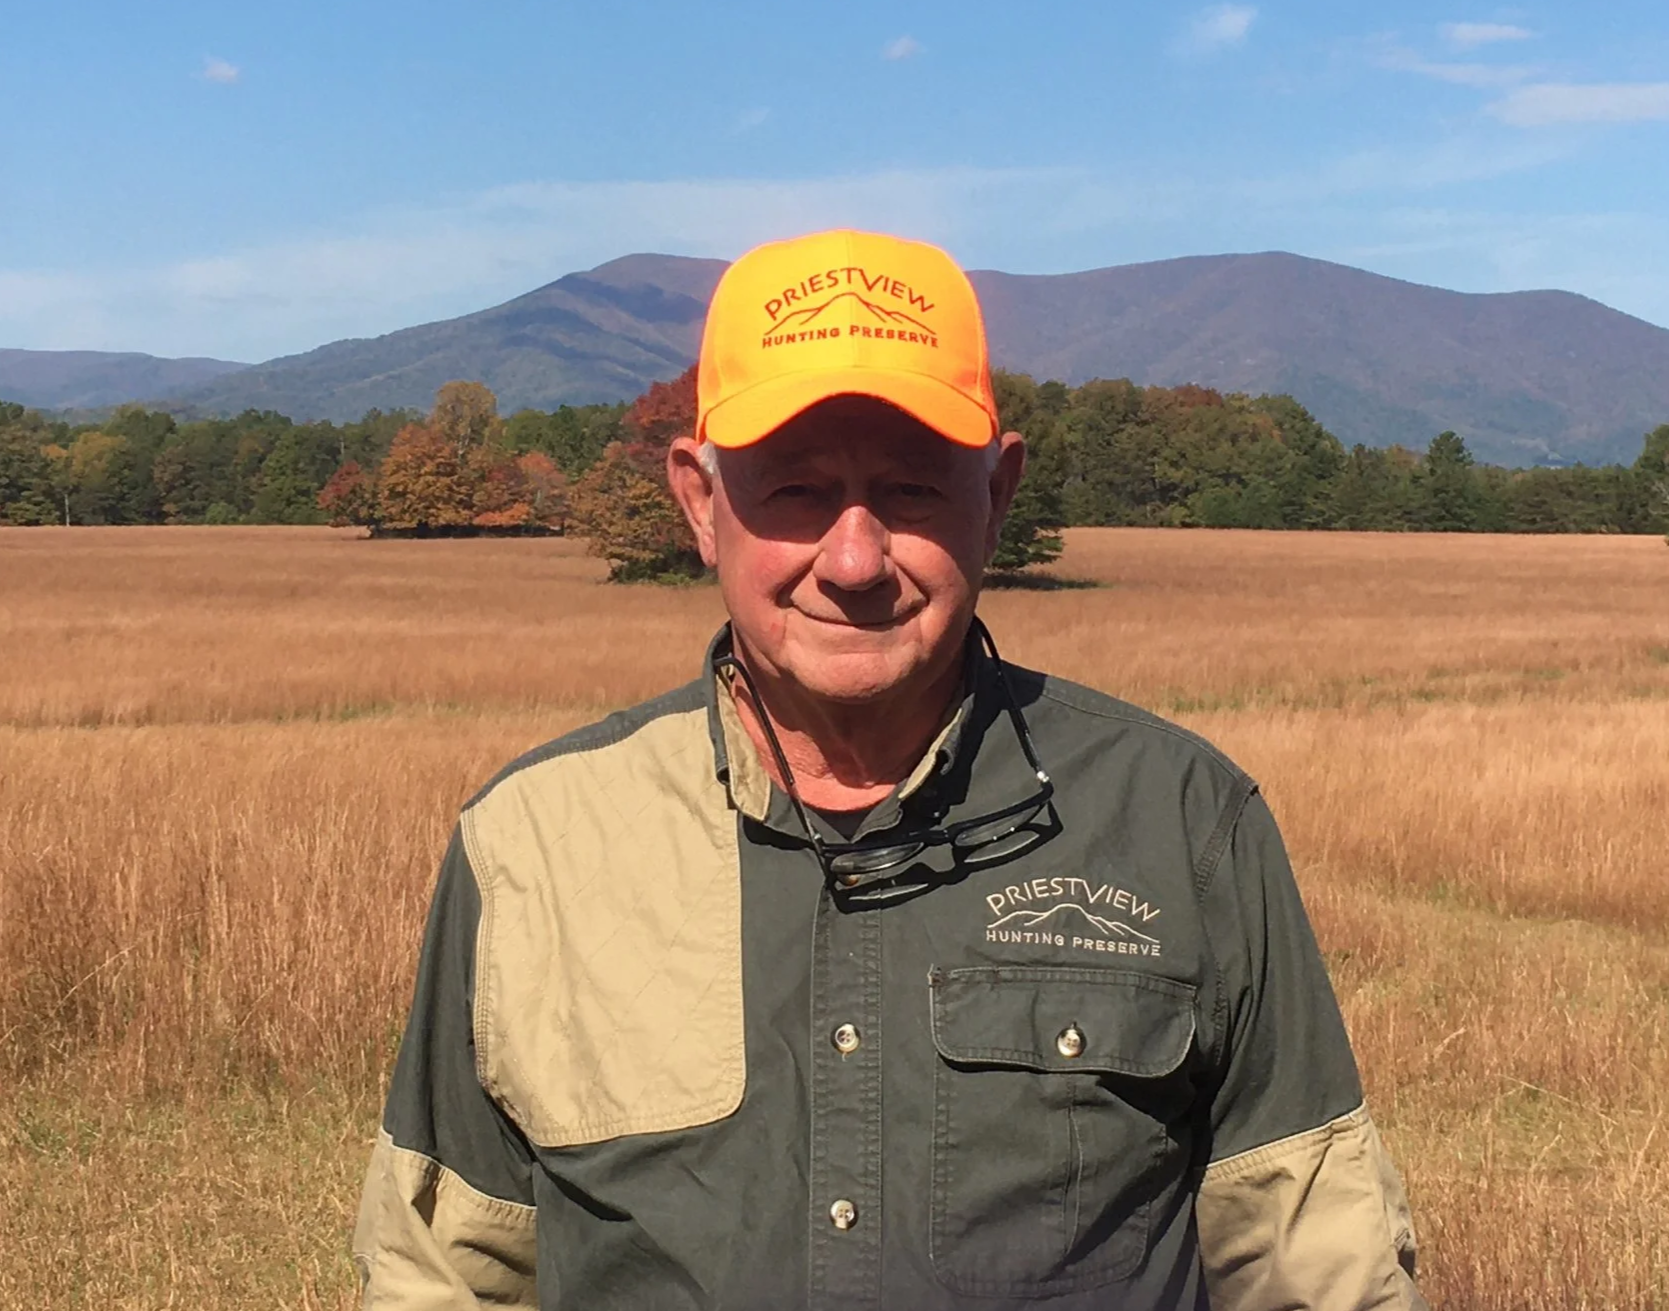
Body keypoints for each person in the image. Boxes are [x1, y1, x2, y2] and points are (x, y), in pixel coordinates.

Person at [352, 228, 1424, 1310]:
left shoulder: (1183, 821)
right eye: (795, 492)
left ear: (997, 495)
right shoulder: (533, 845)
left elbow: (1315, 1266)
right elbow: (439, 1276)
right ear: (698, 500)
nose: (854, 560)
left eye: (910, 492)